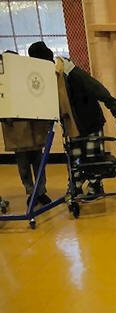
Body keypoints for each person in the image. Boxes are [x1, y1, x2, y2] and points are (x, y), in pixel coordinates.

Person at [28, 41, 116, 198]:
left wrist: (112, 105)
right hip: (72, 125)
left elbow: (95, 87)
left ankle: (95, 186)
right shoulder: (47, 77)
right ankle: (76, 185)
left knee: (92, 157)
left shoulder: (70, 72)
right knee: (75, 157)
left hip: (90, 121)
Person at [0, 50, 53, 208]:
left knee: (38, 162)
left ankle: (41, 191)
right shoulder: (3, 82)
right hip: (15, 130)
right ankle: (31, 192)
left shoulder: (27, 76)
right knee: (23, 165)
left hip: (33, 127)